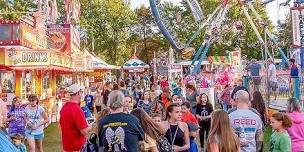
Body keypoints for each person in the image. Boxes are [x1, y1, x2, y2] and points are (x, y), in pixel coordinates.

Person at [60, 84, 90, 151]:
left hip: (67, 146)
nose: (82, 94)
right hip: (77, 147)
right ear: (78, 93)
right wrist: (90, 126)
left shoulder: (64, 107)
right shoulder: (77, 110)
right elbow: (84, 131)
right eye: (81, 92)